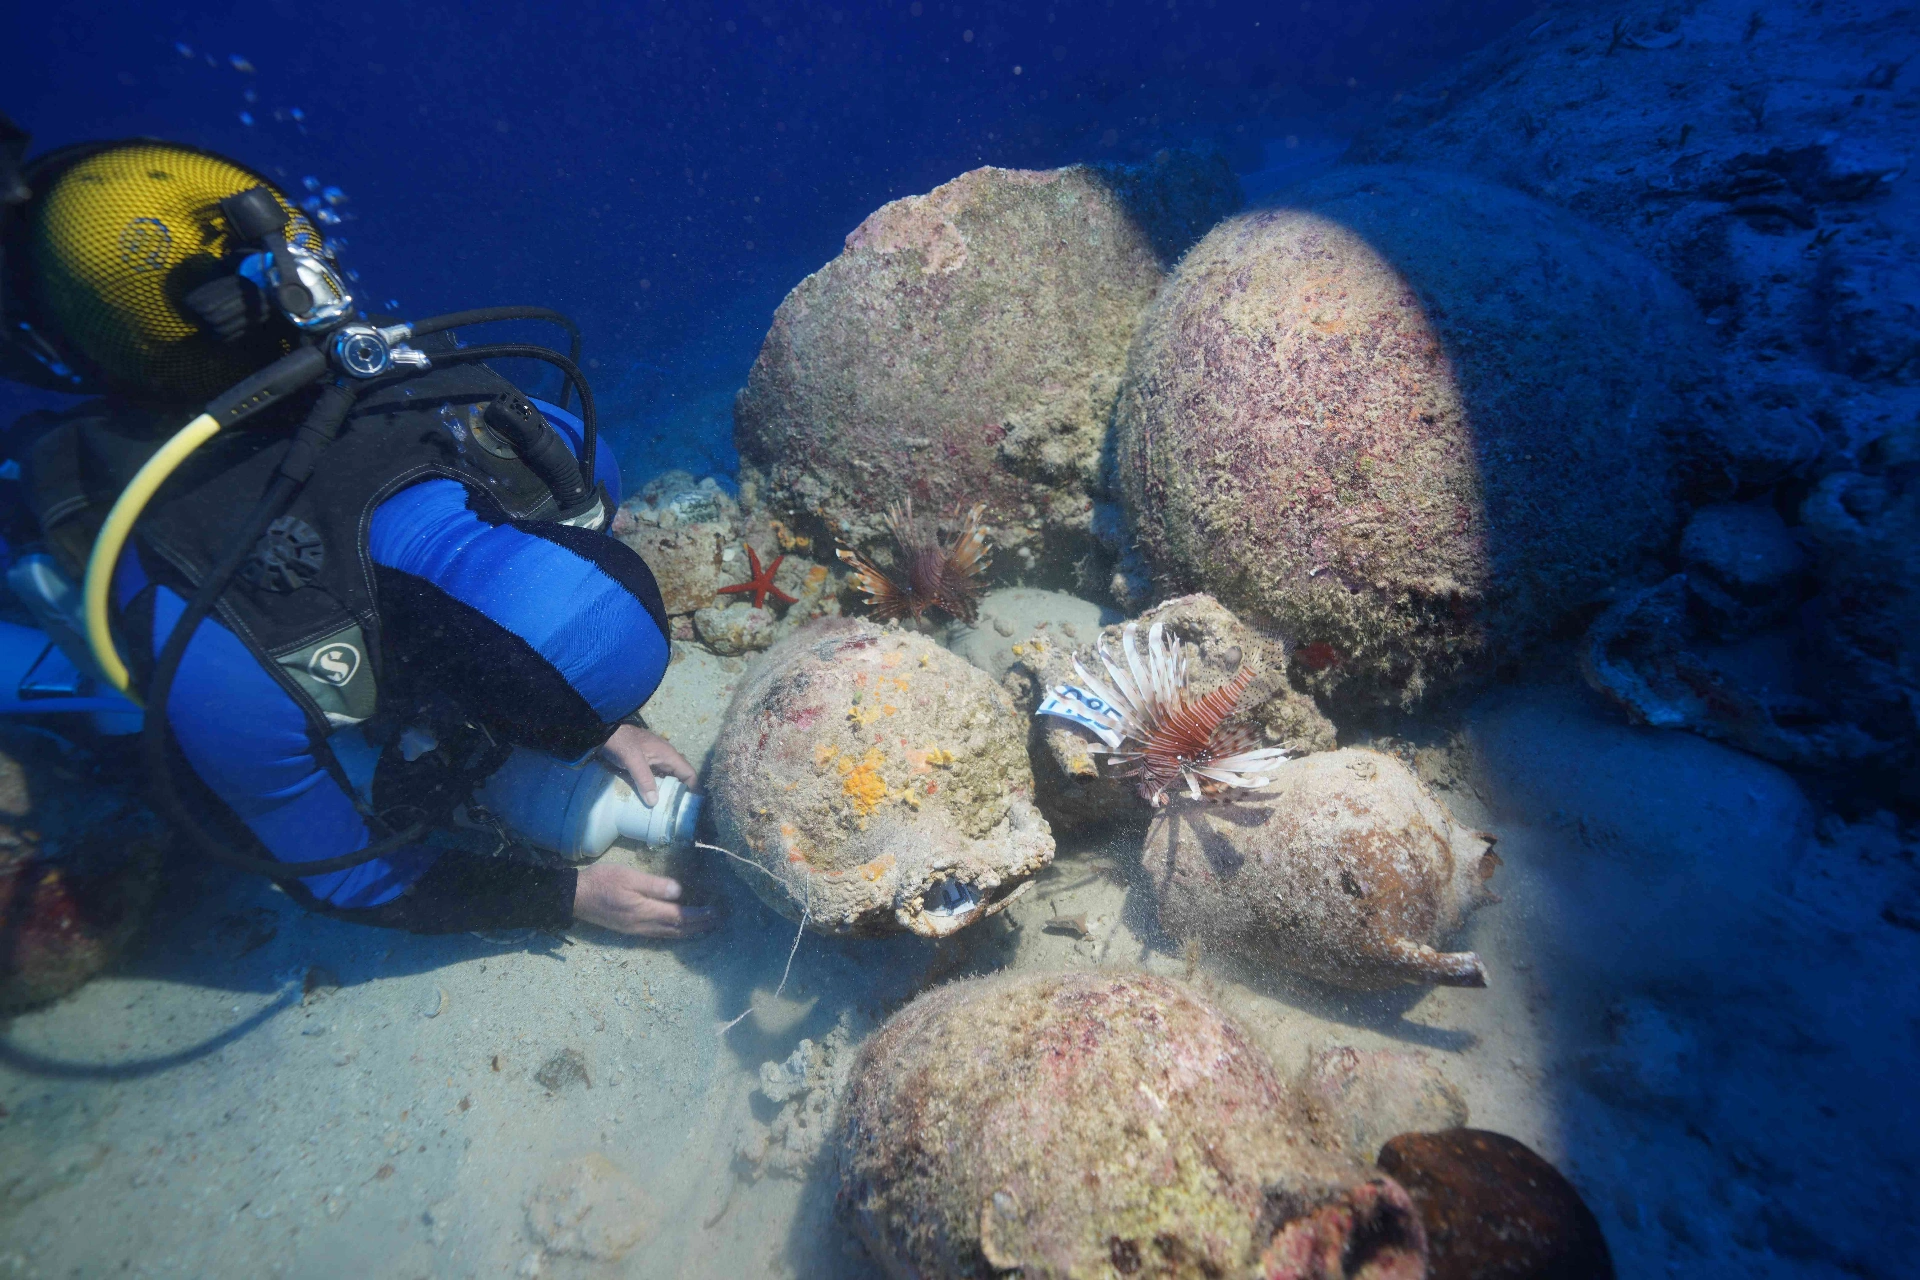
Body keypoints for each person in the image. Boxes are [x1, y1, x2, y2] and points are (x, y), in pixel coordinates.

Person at [0, 124, 712, 938]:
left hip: (160, 330)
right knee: (108, 705)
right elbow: (343, 884)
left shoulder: (554, 459)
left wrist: (615, 720)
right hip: (159, 573)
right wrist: (565, 898)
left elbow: (560, 612)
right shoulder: (231, 673)